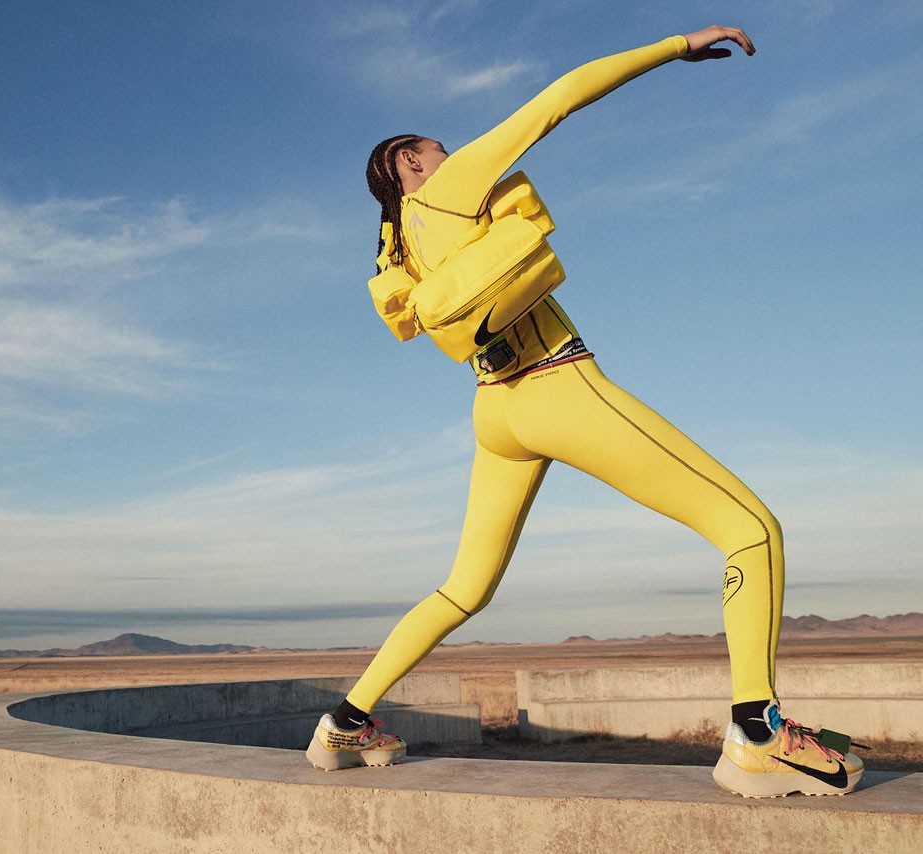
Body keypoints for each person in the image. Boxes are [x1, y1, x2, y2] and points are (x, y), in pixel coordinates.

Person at [305, 25, 866, 798]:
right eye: (438, 148)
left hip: (494, 413)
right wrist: (676, 46)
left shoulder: (398, 245)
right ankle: (757, 736)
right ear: (410, 163)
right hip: (555, 385)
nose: (452, 154)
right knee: (751, 530)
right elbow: (560, 98)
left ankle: (345, 721)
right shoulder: (448, 187)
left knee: (463, 589)